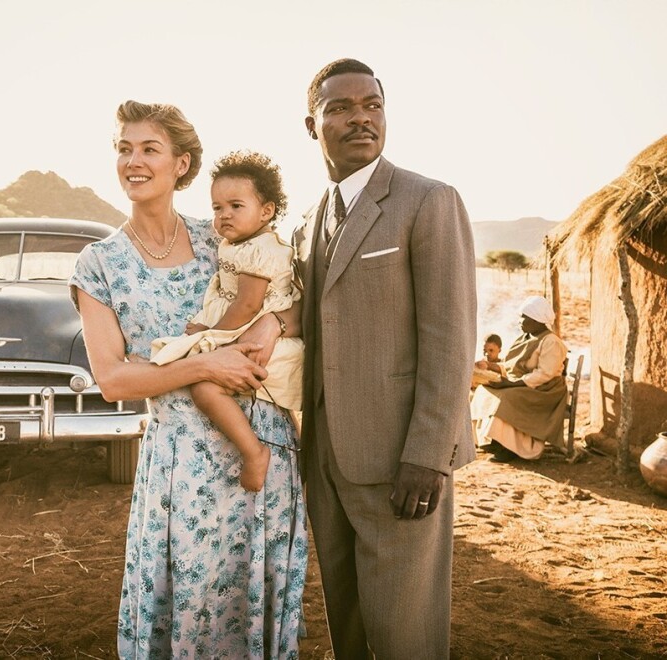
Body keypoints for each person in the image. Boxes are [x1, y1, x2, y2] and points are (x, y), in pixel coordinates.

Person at [69, 100, 307, 658]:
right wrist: (204, 365)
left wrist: (273, 322)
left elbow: (300, 305)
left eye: (149, 148)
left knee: (252, 598)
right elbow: (112, 380)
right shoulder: (99, 263)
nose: (134, 160)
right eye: (124, 149)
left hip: (264, 446)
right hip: (182, 463)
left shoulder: (227, 235)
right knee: (191, 602)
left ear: (182, 164)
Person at [293, 58, 477, 658]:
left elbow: (450, 339)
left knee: (405, 635)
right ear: (310, 124)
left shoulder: (428, 200)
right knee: (348, 629)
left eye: (371, 104)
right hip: (325, 461)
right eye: (340, 108)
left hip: (403, 462)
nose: (360, 118)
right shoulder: (310, 219)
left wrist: (429, 455)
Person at [150, 150, 303, 492]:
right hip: (243, 331)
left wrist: (211, 333)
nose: (224, 216)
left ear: (266, 211)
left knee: (205, 387)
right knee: (191, 364)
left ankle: (254, 453)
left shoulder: (262, 249)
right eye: (217, 208)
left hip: (258, 338)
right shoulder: (236, 245)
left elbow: (248, 305)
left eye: (236, 206)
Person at [470, 296, 569, 462]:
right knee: (484, 390)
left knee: (506, 398)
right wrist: (490, 367)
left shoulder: (551, 341)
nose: (520, 321)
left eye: (524, 318)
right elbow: (513, 366)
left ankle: (510, 449)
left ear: (537, 320)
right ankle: (491, 441)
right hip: (526, 383)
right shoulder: (526, 337)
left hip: (545, 390)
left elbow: (544, 374)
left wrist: (511, 383)